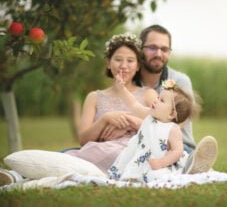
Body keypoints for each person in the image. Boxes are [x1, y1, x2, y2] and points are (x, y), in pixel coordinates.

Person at [0, 32, 157, 186]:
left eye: (130, 60)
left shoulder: (148, 95)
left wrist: (130, 122)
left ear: (138, 66)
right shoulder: (95, 97)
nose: (124, 65)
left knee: (76, 159)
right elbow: (83, 139)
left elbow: (161, 131)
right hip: (96, 150)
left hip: (128, 152)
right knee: (71, 157)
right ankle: (16, 176)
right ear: (108, 63)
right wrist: (105, 119)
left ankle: (21, 176)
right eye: (118, 59)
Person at [134, 24, 218, 174]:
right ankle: (187, 167)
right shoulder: (130, 82)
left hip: (178, 144)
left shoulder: (179, 80)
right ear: (140, 49)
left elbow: (179, 122)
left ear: (169, 53)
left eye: (164, 49)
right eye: (152, 47)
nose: (159, 53)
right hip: (143, 142)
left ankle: (191, 162)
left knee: (175, 156)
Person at [108, 77, 200, 183]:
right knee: (129, 173)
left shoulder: (172, 129)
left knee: (157, 176)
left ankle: (192, 165)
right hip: (141, 159)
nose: (156, 100)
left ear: (171, 114)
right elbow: (134, 105)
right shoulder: (149, 115)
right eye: (158, 97)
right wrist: (122, 89)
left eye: (161, 100)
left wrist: (161, 163)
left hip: (161, 163)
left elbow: (177, 150)